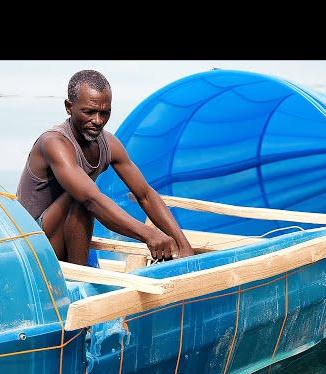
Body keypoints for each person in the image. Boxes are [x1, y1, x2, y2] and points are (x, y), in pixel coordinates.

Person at [17, 70, 194, 266]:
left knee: (87, 195)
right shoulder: (54, 143)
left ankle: (81, 270)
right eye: (89, 112)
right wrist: (148, 234)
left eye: (104, 112)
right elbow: (91, 200)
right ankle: (79, 280)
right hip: (35, 241)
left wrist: (183, 245)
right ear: (69, 107)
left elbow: (145, 195)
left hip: (69, 232)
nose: (98, 120)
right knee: (82, 196)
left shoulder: (109, 143)